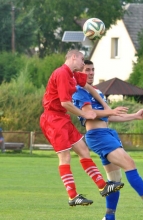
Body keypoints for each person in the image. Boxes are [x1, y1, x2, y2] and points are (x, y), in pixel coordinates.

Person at [72, 60, 143, 220]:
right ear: (78, 72)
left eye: (93, 69)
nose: (91, 72)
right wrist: (111, 112)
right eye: (87, 69)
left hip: (108, 134)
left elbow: (109, 118)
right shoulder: (79, 92)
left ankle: (109, 218)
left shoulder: (98, 93)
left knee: (114, 183)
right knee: (129, 163)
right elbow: (91, 114)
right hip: (97, 136)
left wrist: (133, 116)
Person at [40, 50, 128, 207]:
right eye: (82, 60)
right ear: (74, 57)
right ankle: (72, 196)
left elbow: (88, 86)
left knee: (83, 150)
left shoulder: (73, 75)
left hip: (63, 118)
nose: (83, 63)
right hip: (52, 119)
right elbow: (65, 103)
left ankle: (102, 186)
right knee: (65, 157)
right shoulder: (61, 73)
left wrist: (105, 106)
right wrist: (84, 114)